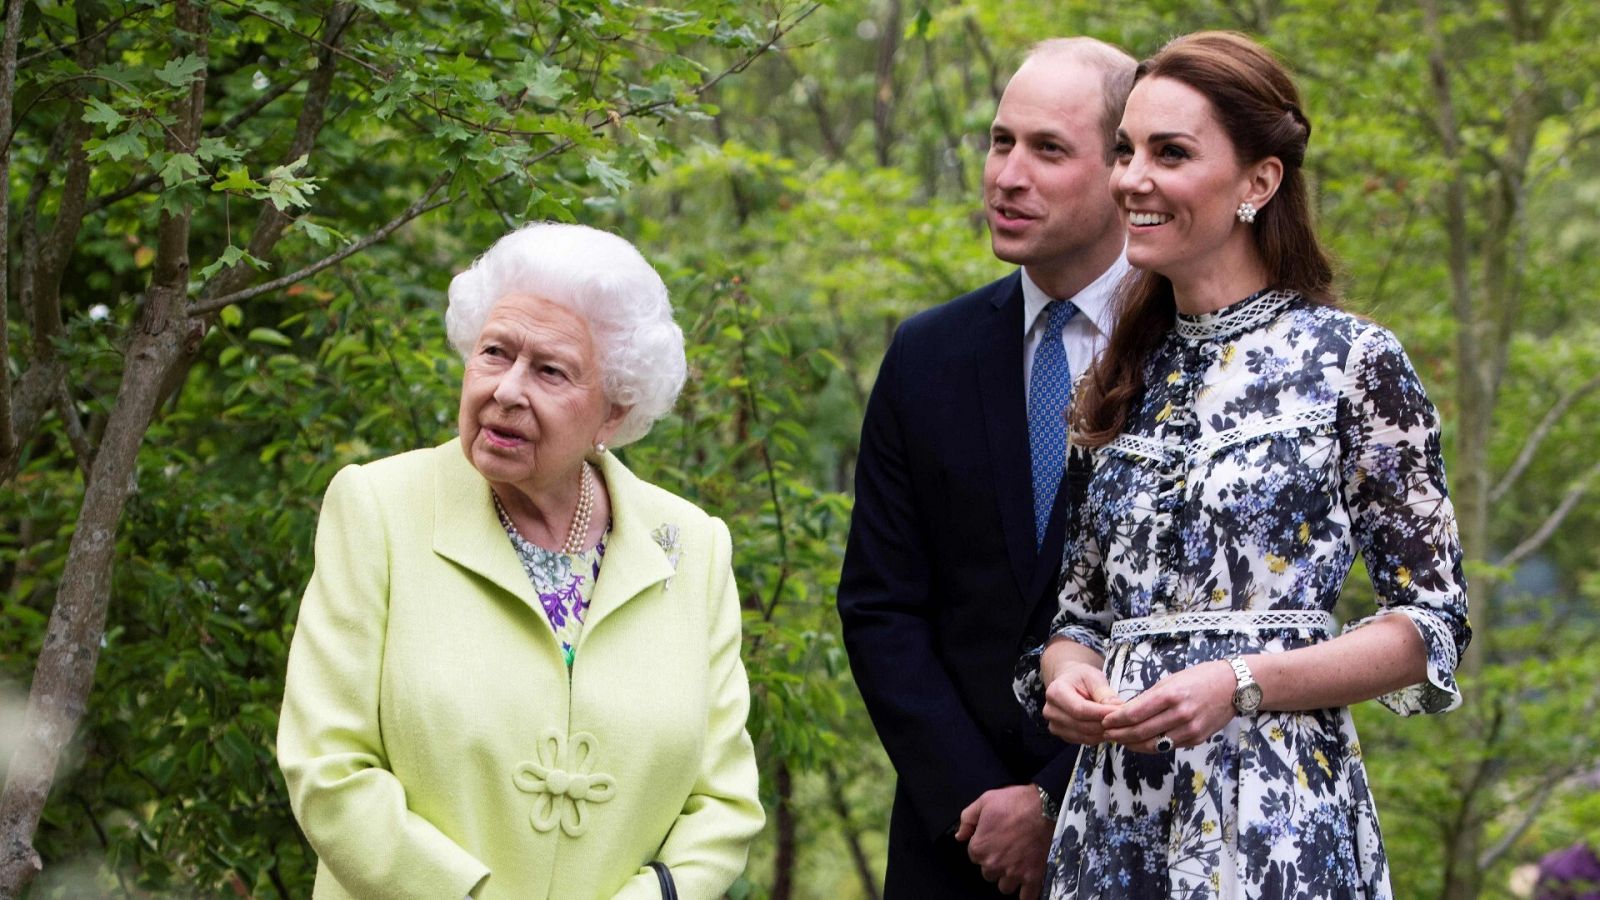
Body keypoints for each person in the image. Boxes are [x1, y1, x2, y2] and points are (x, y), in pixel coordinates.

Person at [1012, 31, 1471, 898]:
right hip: (1114, 823)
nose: (1132, 179)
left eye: (1170, 153)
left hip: (1279, 819)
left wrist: (1242, 682)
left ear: (1259, 182)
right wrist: (1070, 681)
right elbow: (1076, 617)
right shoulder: (1118, 372)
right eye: (1125, 151)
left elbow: (1430, 627)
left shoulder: (1352, 362)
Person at [276, 223, 764, 900]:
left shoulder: (692, 546)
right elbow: (329, 771)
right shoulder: (379, 509)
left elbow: (724, 800)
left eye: (549, 370)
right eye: (495, 352)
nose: (506, 390)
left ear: (613, 413)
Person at [838, 38, 1137, 899]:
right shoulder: (926, 353)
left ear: (1124, 168)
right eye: (1001, 142)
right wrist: (984, 808)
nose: (1007, 174)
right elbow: (880, 606)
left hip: (1141, 830)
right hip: (953, 848)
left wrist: (1053, 801)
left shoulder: (1190, 360)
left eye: (1047, 149)